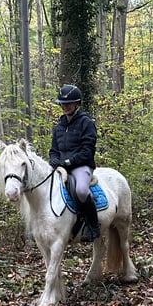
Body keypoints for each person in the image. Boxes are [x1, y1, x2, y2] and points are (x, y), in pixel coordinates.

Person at [49, 84, 100, 242]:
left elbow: (87, 151)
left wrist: (68, 161)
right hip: (61, 168)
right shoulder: (58, 126)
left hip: (81, 166)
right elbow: (53, 150)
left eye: (69, 103)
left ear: (77, 104)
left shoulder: (86, 123)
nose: (65, 106)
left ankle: (93, 225)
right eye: (63, 104)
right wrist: (55, 161)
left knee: (81, 191)